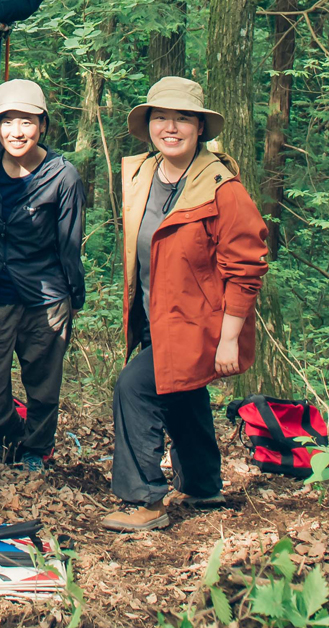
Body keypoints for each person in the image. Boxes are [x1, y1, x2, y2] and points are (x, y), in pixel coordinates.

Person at [103, 76, 270, 532]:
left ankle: (144, 500)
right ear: (149, 124)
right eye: (161, 117)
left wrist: (229, 339)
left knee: (134, 389)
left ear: (200, 127)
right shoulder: (142, 174)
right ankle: (202, 484)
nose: (170, 127)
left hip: (200, 324)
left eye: (182, 118)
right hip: (156, 315)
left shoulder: (222, 189)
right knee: (180, 389)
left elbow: (247, 267)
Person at [0, 79, 86, 473]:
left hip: (45, 296)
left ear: (43, 125)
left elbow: (69, 242)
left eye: (27, 121)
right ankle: (5, 437)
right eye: (7, 121)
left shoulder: (63, 176)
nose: (17, 131)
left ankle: (37, 448)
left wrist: (73, 297)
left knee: (42, 382)